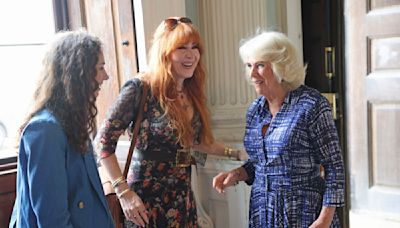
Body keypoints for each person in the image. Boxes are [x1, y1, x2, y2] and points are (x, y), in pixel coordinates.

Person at [96, 17, 246, 227]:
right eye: (181, 47)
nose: (191, 54)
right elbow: (103, 142)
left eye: (195, 47)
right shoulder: (140, 89)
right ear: (165, 53)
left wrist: (237, 153)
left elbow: (196, 142)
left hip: (182, 198)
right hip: (144, 200)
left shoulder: (189, 91)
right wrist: (123, 192)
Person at [212, 31, 345, 228]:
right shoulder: (255, 110)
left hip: (304, 212)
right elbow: (260, 164)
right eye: (249, 65)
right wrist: (237, 174)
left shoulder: (311, 105)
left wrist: (324, 220)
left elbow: (335, 167)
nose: (251, 74)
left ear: (280, 66)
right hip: (262, 212)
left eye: (260, 65)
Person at [9, 30, 114, 228]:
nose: (105, 76)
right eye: (100, 68)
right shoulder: (44, 131)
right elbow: (53, 221)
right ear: (78, 72)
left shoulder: (73, 122)